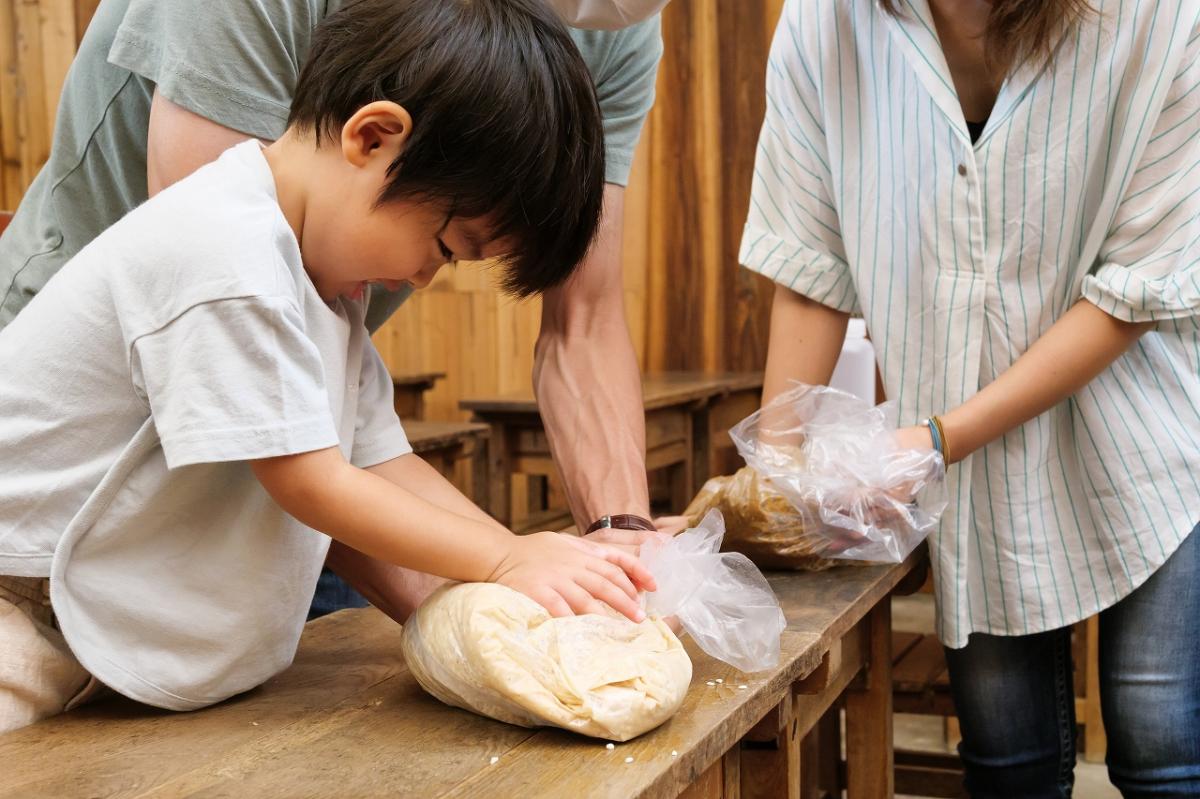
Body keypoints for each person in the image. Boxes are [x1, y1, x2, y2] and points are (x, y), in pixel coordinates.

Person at [0, 0, 658, 735]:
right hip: (19, 591)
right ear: (373, 138)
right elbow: (309, 478)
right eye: (445, 246)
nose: (421, 279)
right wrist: (505, 556)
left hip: (97, 605)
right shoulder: (225, 241)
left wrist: (541, 577)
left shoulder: (321, 286)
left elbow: (381, 458)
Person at [743, 0, 1200, 795]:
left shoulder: (1159, 17)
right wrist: (774, 480)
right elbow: (809, 267)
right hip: (962, 465)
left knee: (1162, 746)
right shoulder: (824, 25)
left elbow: (1133, 290)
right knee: (1006, 759)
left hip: (1143, 439)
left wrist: (931, 440)